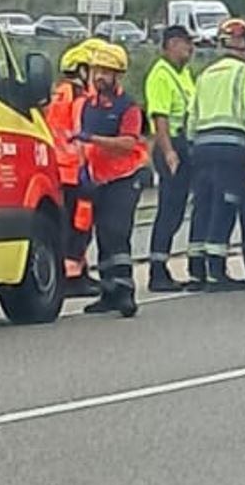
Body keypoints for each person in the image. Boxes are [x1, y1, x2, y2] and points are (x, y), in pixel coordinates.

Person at [186, 18, 245, 292]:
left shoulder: (205, 75)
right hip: (232, 147)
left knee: (203, 206)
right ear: (242, 44)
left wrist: (193, 146)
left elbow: (191, 118)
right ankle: (216, 272)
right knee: (224, 206)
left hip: (201, 147)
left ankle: (196, 270)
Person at [76, 42, 149, 317]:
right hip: (98, 179)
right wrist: (83, 170)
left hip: (125, 177)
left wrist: (94, 139)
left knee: (117, 231)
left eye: (106, 72)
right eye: (96, 71)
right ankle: (108, 293)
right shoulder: (88, 106)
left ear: (117, 75)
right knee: (103, 235)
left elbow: (128, 144)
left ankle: (125, 292)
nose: (99, 77)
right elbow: (81, 143)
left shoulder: (128, 107)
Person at [144, 24, 198, 292]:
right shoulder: (160, 75)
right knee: (169, 209)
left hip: (184, 144)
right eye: (186, 43)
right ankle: (157, 270)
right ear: (172, 44)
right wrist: (168, 153)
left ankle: (163, 266)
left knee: (177, 210)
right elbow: (160, 119)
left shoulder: (184, 73)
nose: (191, 49)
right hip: (171, 145)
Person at [45, 41, 99, 296]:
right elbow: (82, 133)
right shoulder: (78, 97)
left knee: (71, 223)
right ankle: (74, 276)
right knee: (80, 224)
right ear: (82, 70)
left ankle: (78, 271)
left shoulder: (58, 93)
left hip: (60, 169)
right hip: (75, 169)